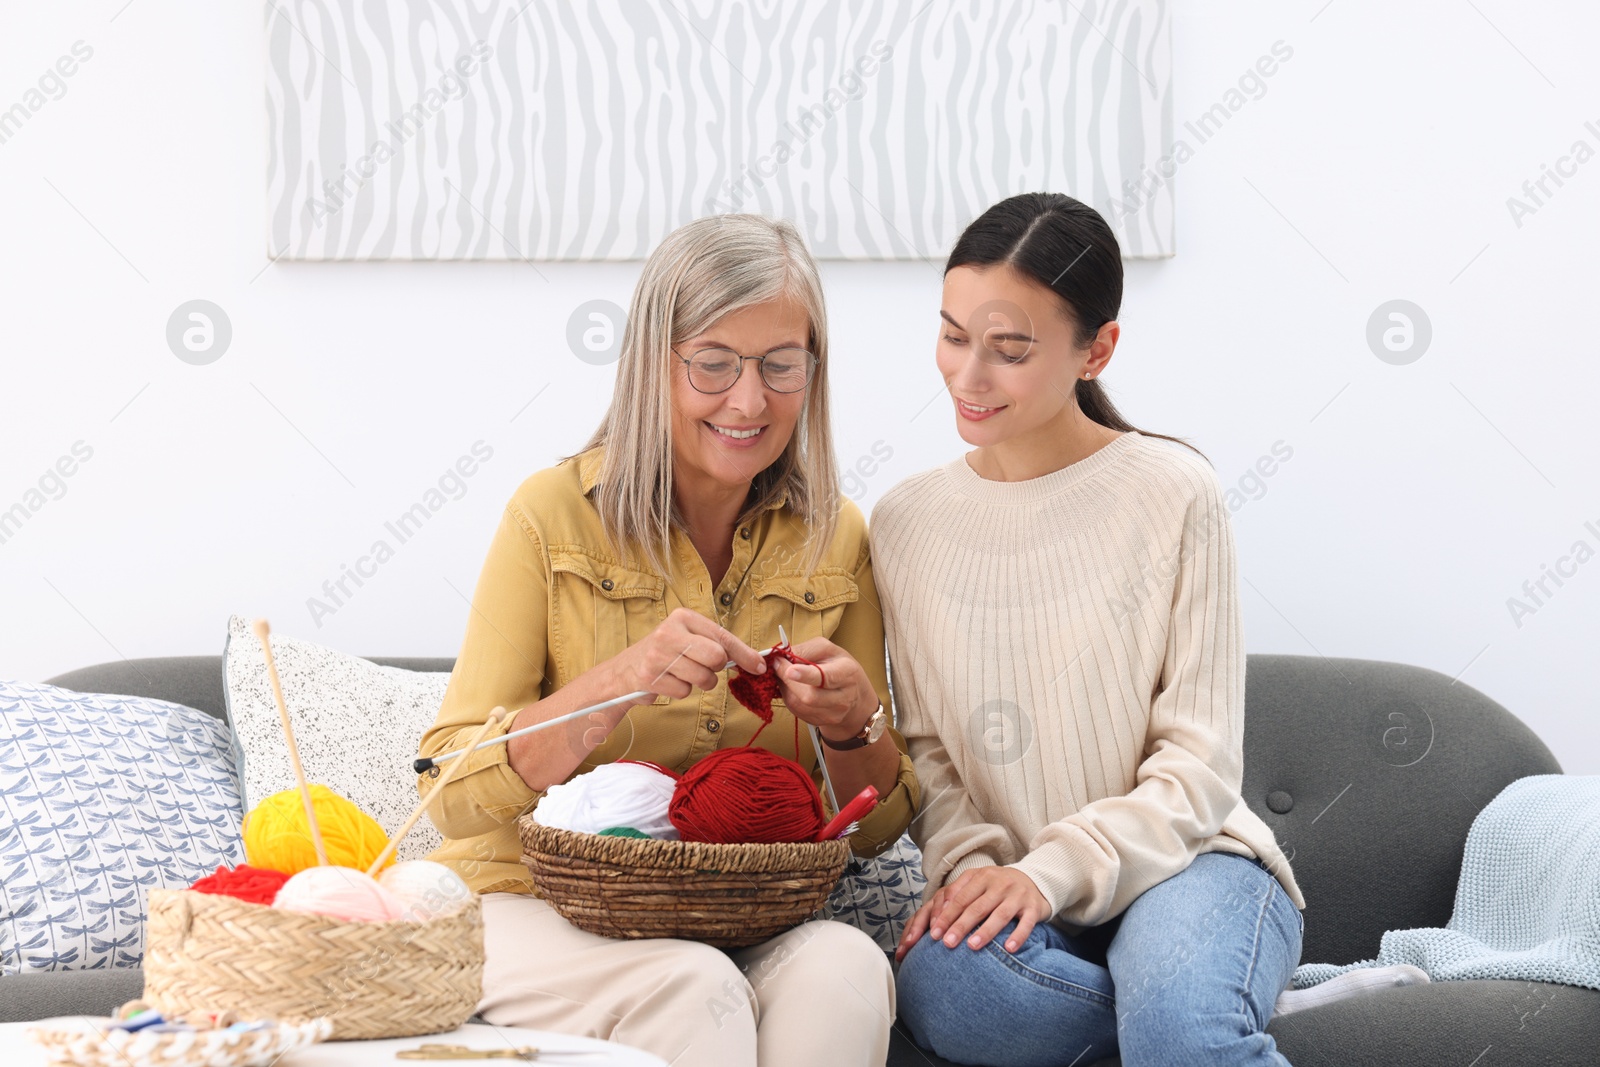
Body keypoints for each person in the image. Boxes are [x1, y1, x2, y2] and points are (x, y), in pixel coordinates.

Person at [415, 213, 919, 1067]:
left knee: (847, 965)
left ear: (813, 372)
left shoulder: (838, 539)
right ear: (655, 362)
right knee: (689, 987)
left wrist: (855, 722)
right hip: (527, 903)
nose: (749, 400)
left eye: (780, 366)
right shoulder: (550, 516)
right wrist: (613, 684)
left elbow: (871, 833)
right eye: (714, 363)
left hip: (738, 915)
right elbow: (450, 792)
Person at [874, 192, 1306, 1067]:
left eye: (1010, 350)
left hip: (1190, 860)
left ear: (1097, 348)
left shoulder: (1175, 492)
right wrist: (971, 875)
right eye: (953, 335)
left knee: (1179, 1029)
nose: (968, 375)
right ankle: (1221, 1014)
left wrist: (1049, 871)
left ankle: (1193, 1013)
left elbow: (1200, 764)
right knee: (953, 993)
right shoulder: (904, 521)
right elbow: (928, 752)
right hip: (1010, 886)